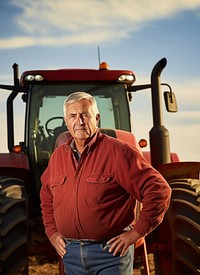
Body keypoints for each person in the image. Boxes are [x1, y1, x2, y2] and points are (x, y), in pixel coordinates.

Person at [40, 92, 171, 274]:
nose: (80, 121)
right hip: (71, 254)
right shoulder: (57, 157)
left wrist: (135, 233)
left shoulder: (119, 152)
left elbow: (159, 190)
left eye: (85, 114)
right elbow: (47, 197)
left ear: (97, 118)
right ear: (66, 120)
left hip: (110, 254)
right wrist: (53, 233)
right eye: (72, 116)